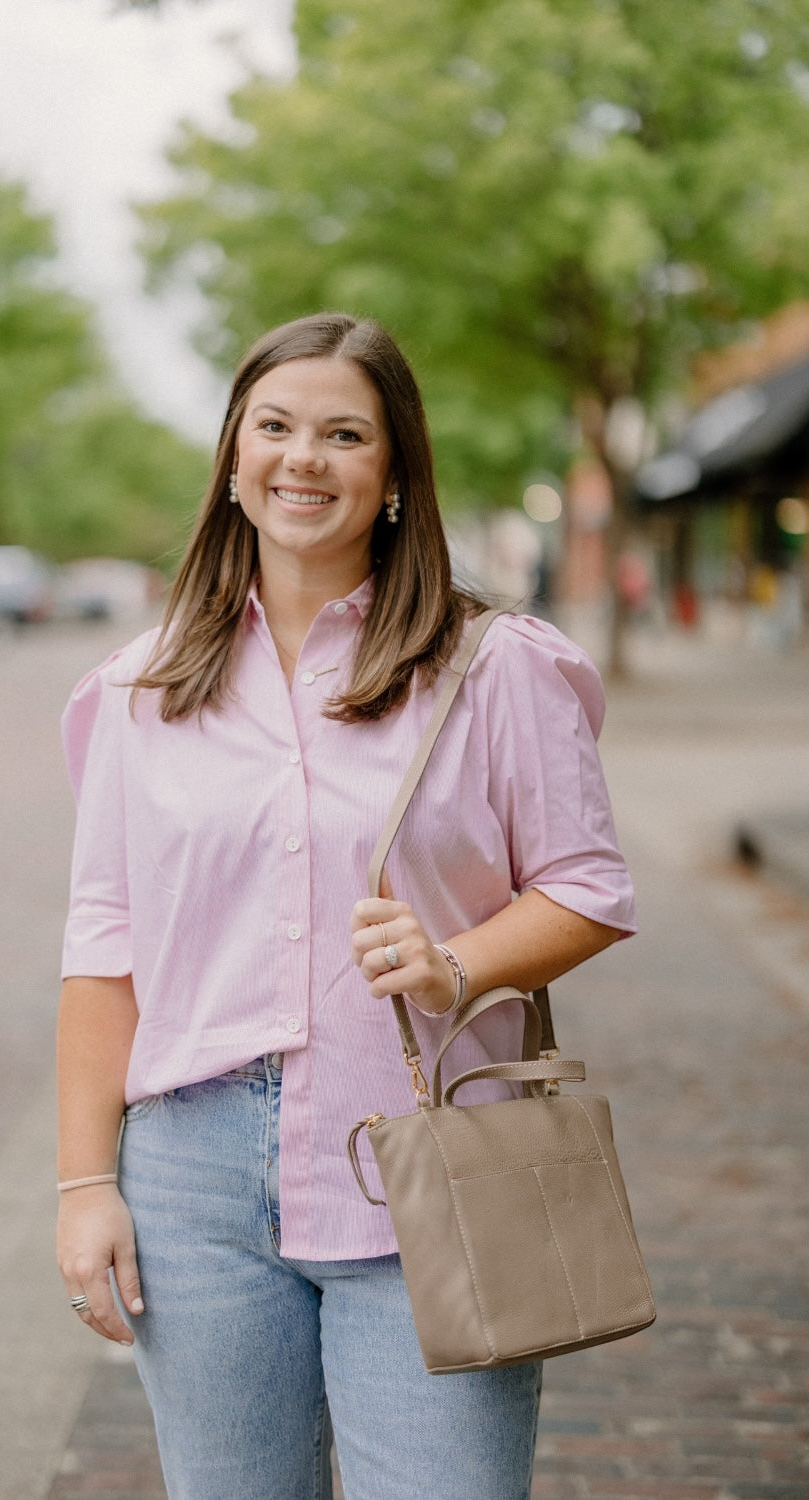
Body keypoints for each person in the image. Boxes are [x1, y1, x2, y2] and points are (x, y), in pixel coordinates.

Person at [56, 311, 636, 1500]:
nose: (301, 457)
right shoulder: (139, 689)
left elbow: (588, 888)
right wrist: (84, 1186)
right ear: (232, 461)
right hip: (194, 1175)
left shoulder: (493, 667)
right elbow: (104, 947)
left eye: (342, 434)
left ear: (391, 476)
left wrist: (454, 965)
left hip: (432, 1160)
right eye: (273, 427)